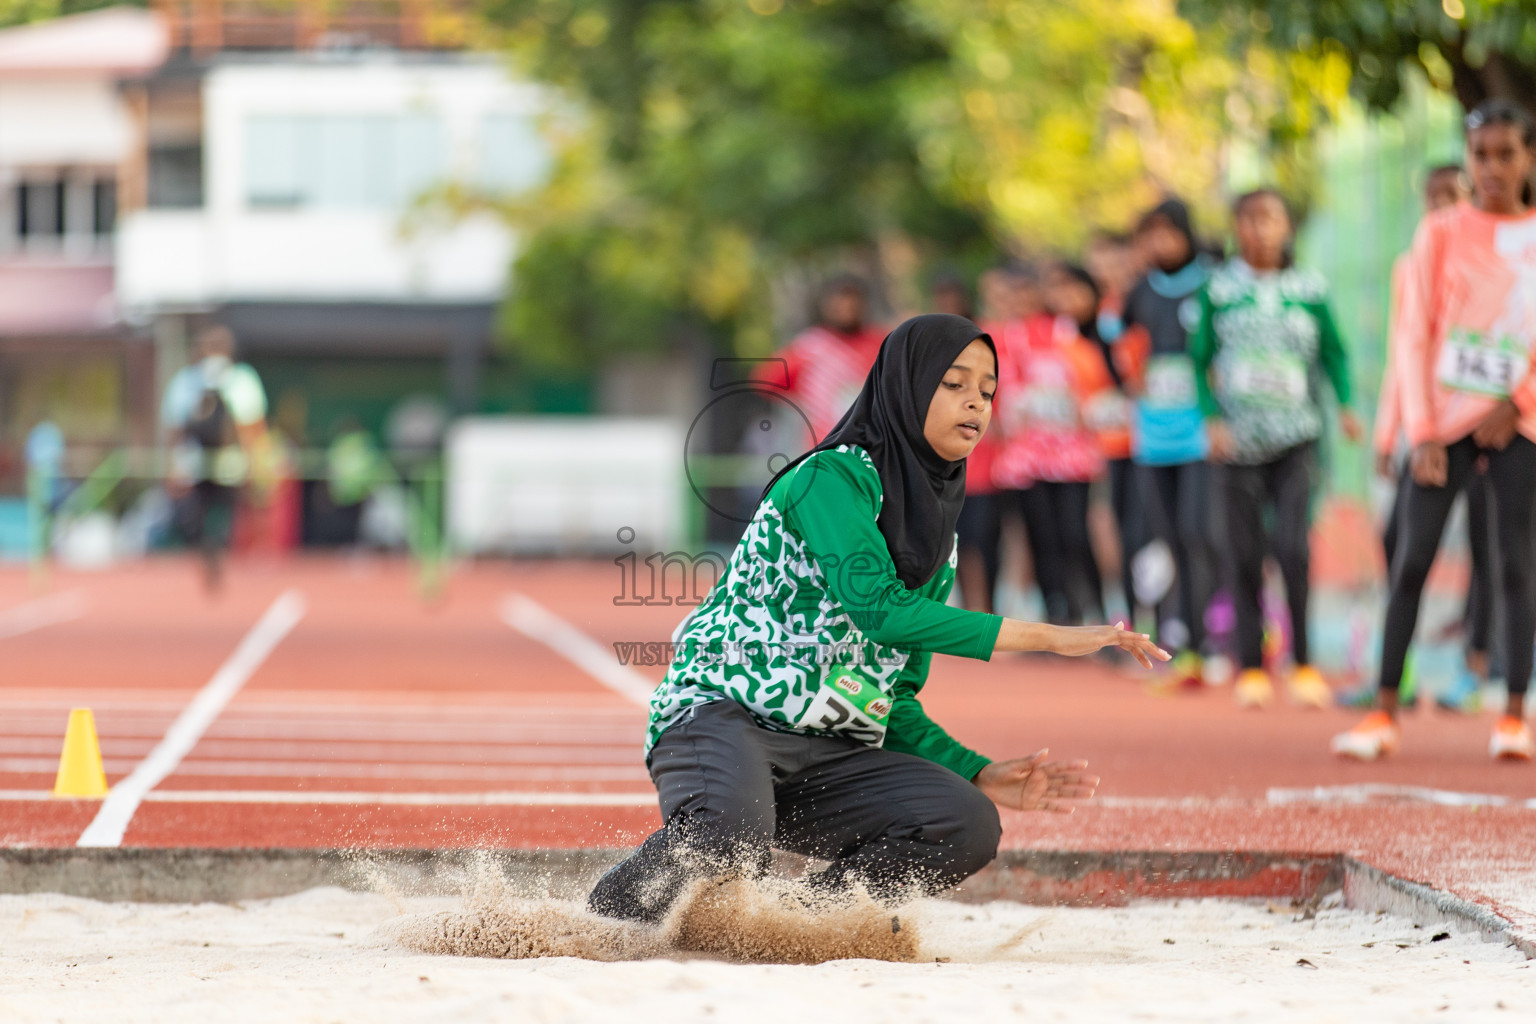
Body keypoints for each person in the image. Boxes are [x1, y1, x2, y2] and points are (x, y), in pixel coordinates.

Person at [586, 315, 1169, 925]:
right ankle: (601, 921)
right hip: (721, 718)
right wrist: (1046, 635)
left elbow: (891, 699)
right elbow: (880, 610)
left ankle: (801, 924)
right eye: (954, 383)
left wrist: (979, 771)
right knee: (728, 841)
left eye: (989, 391)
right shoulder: (829, 479)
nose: (976, 402)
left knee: (965, 821)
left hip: (826, 749)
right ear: (906, 385)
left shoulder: (936, 542)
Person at [1334, 99, 1536, 761]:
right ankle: (1384, 713)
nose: (1493, 168)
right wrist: (1420, 430)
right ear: (1469, 158)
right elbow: (1414, 334)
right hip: (1441, 424)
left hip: (1519, 422)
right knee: (1411, 560)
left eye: (1507, 153)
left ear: (1527, 156)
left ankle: (1512, 717)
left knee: (1513, 565)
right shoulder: (1442, 232)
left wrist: (1520, 401)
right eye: (1481, 155)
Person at [1194, 189, 1363, 709]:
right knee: (1244, 553)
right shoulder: (1218, 289)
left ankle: (1305, 664)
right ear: (1235, 228)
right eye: (1247, 220)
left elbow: (1334, 351)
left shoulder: (1309, 287)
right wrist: (1212, 418)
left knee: (1293, 547)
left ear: (1286, 226)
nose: (1259, 229)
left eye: (1269, 219)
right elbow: (1199, 357)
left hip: (1298, 437)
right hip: (1238, 444)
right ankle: (1251, 667)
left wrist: (1347, 404)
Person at [1367, 165, 1487, 713]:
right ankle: (1398, 676)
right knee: (1402, 547)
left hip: (1494, 429)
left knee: (1496, 552)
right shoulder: (1411, 264)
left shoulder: (1503, 257)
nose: (1442, 206)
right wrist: (1391, 431)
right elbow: (1404, 352)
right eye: (1433, 196)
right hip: (1431, 430)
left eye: (1453, 196)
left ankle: (1479, 668)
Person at [1118, 200, 1220, 682]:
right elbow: (1119, 344)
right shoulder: (1139, 292)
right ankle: (1170, 642)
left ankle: (1205, 641)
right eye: (1150, 235)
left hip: (1202, 434)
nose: (1159, 244)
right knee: (1167, 538)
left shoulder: (1212, 284)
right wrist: (1129, 371)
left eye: (1167, 233)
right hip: (1152, 436)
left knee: (1199, 533)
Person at [993, 269, 1109, 626]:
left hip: (1072, 452)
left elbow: (1093, 382)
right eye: (1012, 298)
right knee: (1041, 537)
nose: (1020, 304)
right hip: (1026, 455)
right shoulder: (1001, 339)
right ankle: (1057, 616)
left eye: (1027, 295)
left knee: (1075, 533)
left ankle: (1098, 612)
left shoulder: (1067, 332)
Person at [1048, 262, 1139, 626]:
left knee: (1134, 536)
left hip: (1134, 448)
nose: (1068, 300)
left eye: (1075, 291)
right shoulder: (1065, 340)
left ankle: (1139, 617)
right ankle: (1103, 616)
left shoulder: (1113, 331)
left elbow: (1133, 381)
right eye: (1061, 292)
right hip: (1092, 451)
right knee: (1087, 534)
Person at [160, 324, 269, 593]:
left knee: (219, 520)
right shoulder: (188, 382)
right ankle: (211, 552)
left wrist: (256, 467)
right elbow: (176, 429)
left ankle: (214, 551)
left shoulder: (236, 381)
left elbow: (251, 429)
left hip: (221, 466)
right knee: (201, 521)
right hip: (203, 466)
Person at [778, 275, 887, 451]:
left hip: (871, 445)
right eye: (839, 304)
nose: (846, 309)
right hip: (824, 446)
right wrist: (811, 396)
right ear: (826, 306)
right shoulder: (811, 345)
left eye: (852, 304)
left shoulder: (881, 343)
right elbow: (768, 380)